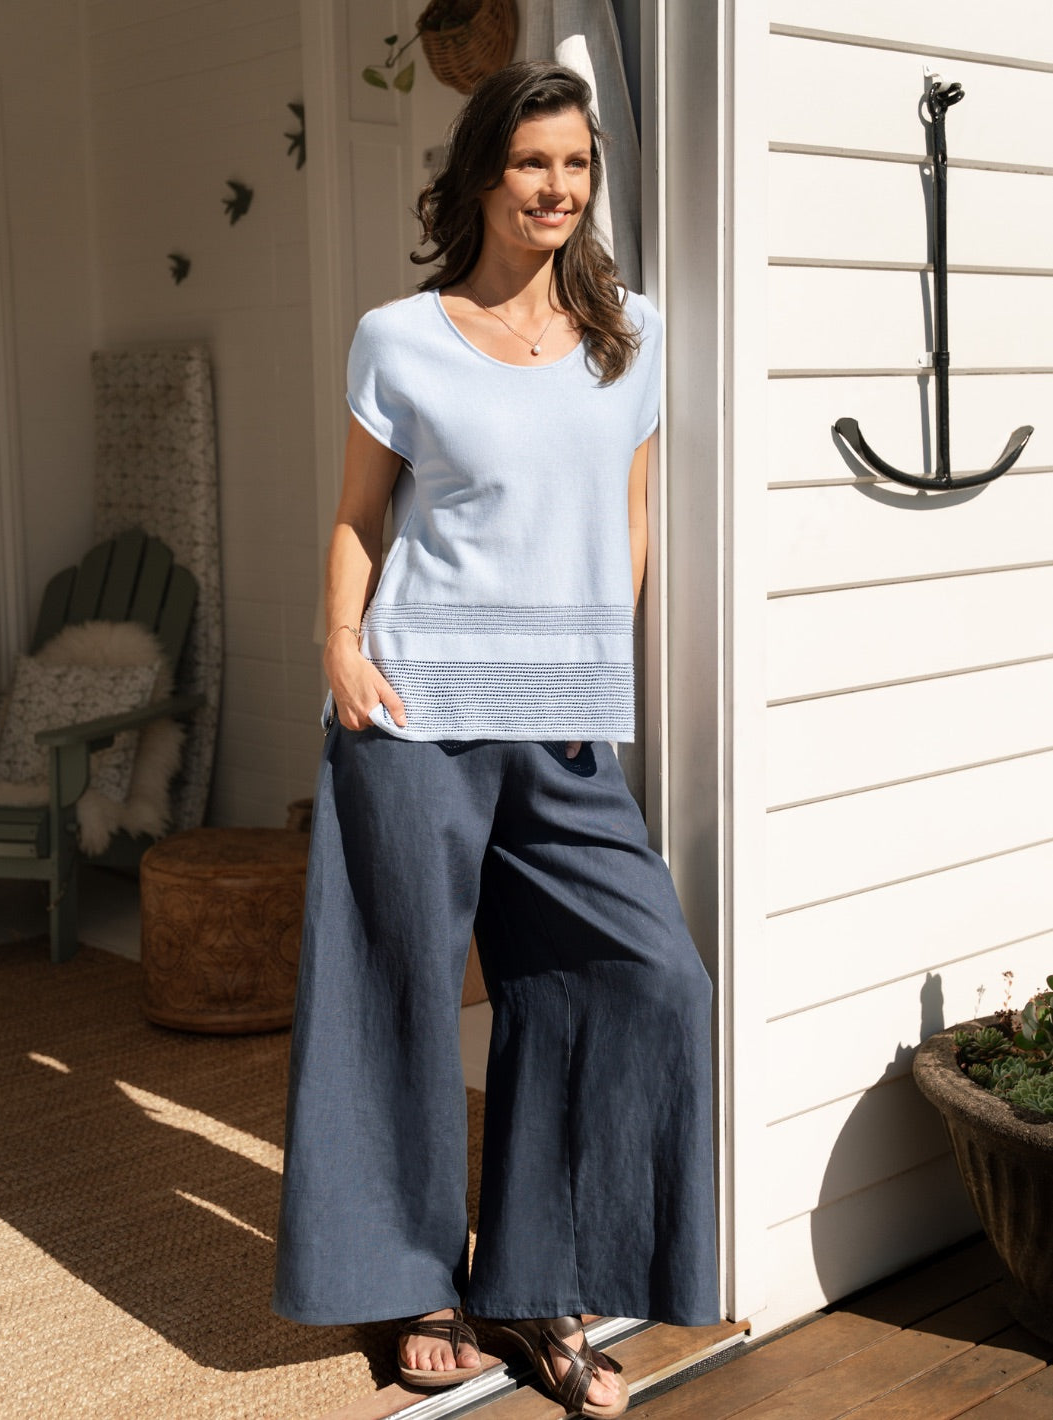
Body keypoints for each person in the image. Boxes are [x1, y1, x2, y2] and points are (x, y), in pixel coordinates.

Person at [272, 60, 718, 1420]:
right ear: (480, 173)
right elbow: (362, 516)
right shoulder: (397, 338)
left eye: (575, 166)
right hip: (412, 713)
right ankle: (412, 1286)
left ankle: (539, 1278)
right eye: (533, 163)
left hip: (566, 729)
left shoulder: (622, 339)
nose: (557, 187)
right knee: (394, 997)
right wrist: (339, 650)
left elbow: (630, 526)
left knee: (644, 975)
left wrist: (597, 669)